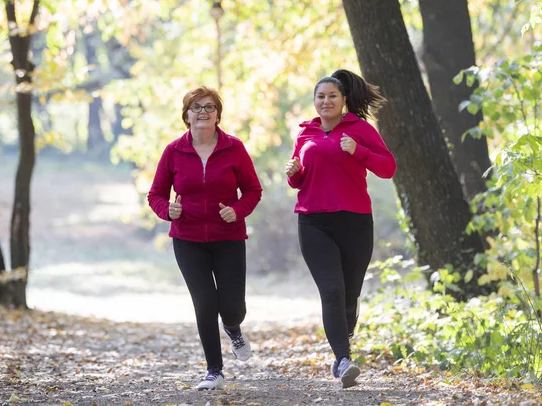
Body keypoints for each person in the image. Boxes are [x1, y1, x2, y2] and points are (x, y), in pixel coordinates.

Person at [285, 69, 397, 388]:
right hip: (313, 221)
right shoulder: (305, 133)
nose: (326, 101)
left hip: (355, 221)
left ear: (344, 100)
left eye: (332, 96)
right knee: (332, 291)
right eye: (320, 96)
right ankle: (343, 359)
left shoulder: (359, 129)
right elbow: (300, 180)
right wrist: (294, 174)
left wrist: (357, 151)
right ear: (314, 101)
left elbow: (388, 168)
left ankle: (342, 340)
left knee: (349, 295)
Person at [148, 86, 263, 391]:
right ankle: (215, 370)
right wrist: (167, 210)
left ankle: (234, 327)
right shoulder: (174, 151)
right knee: (204, 303)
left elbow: (253, 190)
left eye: (209, 107)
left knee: (233, 306)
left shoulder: (234, 148)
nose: (202, 112)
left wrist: (237, 211)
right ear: (186, 115)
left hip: (229, 237)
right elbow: (155, 194)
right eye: (196, 107)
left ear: (217, 114)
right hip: (188, 239)